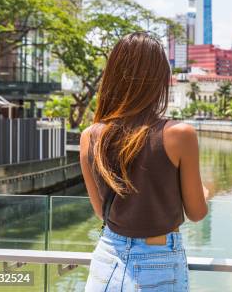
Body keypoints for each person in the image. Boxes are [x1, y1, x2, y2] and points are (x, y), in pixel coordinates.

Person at [79, 32, 208, 291]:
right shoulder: (179, 135)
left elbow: (100, 210)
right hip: (157, 260)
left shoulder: (89, 137)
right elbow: (196, 212)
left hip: (106, 259)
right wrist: (206, 191)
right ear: (159, 80)